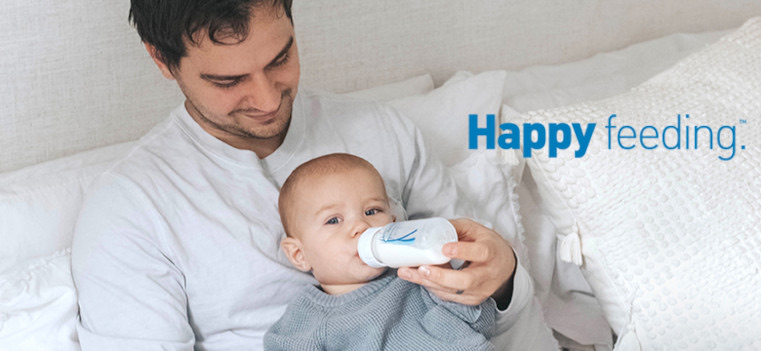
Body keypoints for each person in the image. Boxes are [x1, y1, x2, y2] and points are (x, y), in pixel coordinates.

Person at [71, 1, 534, 350]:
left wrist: (503, 276)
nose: (268, 99)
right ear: (161, 60)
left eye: (280, 59)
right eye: (229, 81)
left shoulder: (381, 131)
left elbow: (489, 296)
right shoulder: (130, 208)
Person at [264, 153, 495, 350]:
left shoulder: (418, 275)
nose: (361, 227)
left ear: (394, 222)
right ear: (299, 255)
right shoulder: (305, 320)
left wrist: (452, 293)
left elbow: (481, 325)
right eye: (334, 220)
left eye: (372, 211)